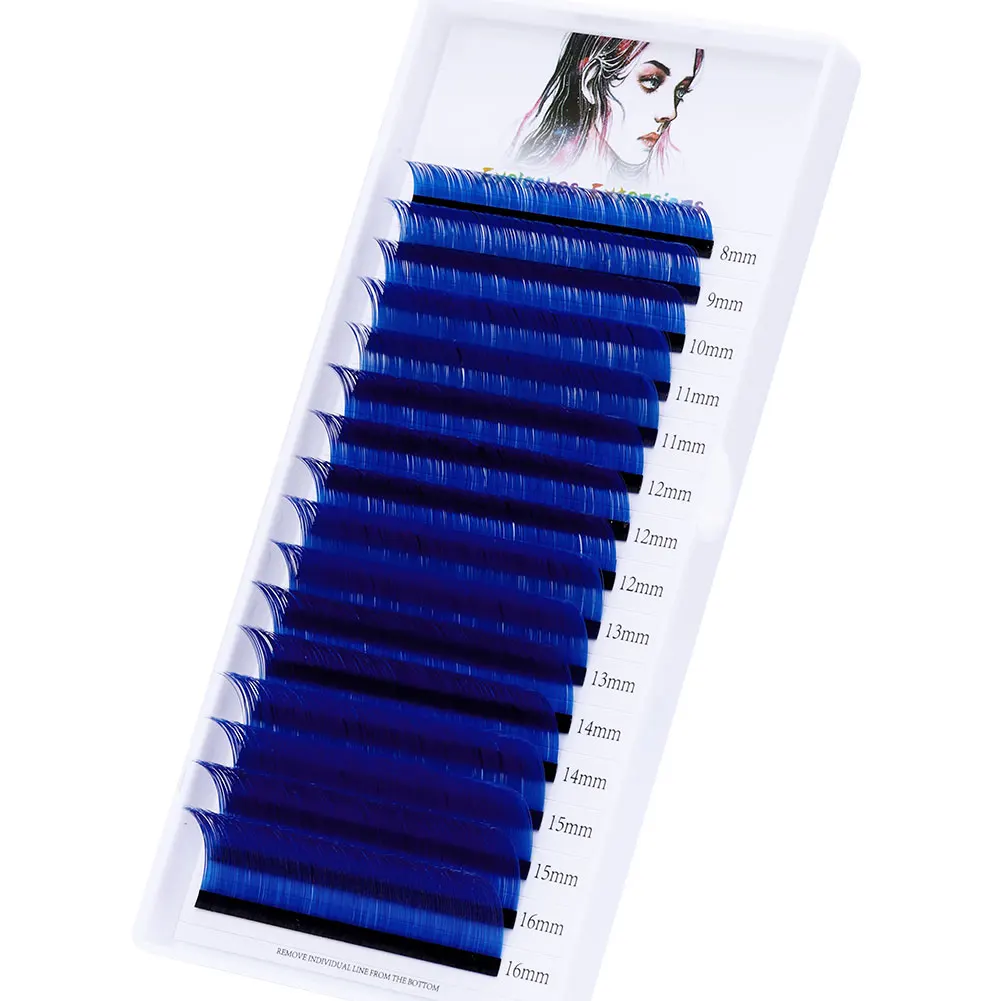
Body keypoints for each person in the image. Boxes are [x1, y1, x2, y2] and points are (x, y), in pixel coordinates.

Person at [512, 34, 704, 180]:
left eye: (680, 92)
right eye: (652, 82)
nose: (671, 113)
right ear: (591, 81)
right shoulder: (527, 173)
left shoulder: (672, 174)